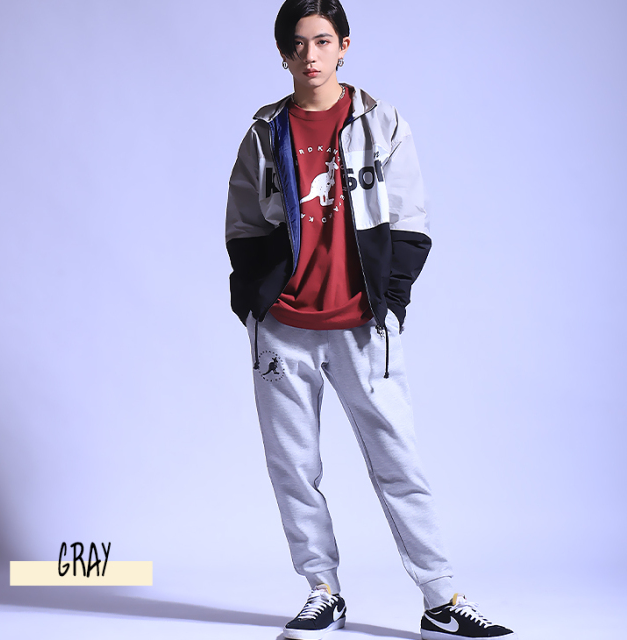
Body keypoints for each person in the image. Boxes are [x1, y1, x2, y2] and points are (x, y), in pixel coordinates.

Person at [225, 1, 516, 638]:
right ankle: (322, 591)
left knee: (398, 464)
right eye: (298, 43)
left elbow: (411, 219)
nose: (310, 54)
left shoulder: (381, 123)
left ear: (344, 45)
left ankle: (441, 599)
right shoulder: (264, 132)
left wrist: (391, 304)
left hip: (361, 325)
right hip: (283, 328)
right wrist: (255, 303)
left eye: (322, 40)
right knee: (294, 468)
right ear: (284, 54)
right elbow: (243, 224)